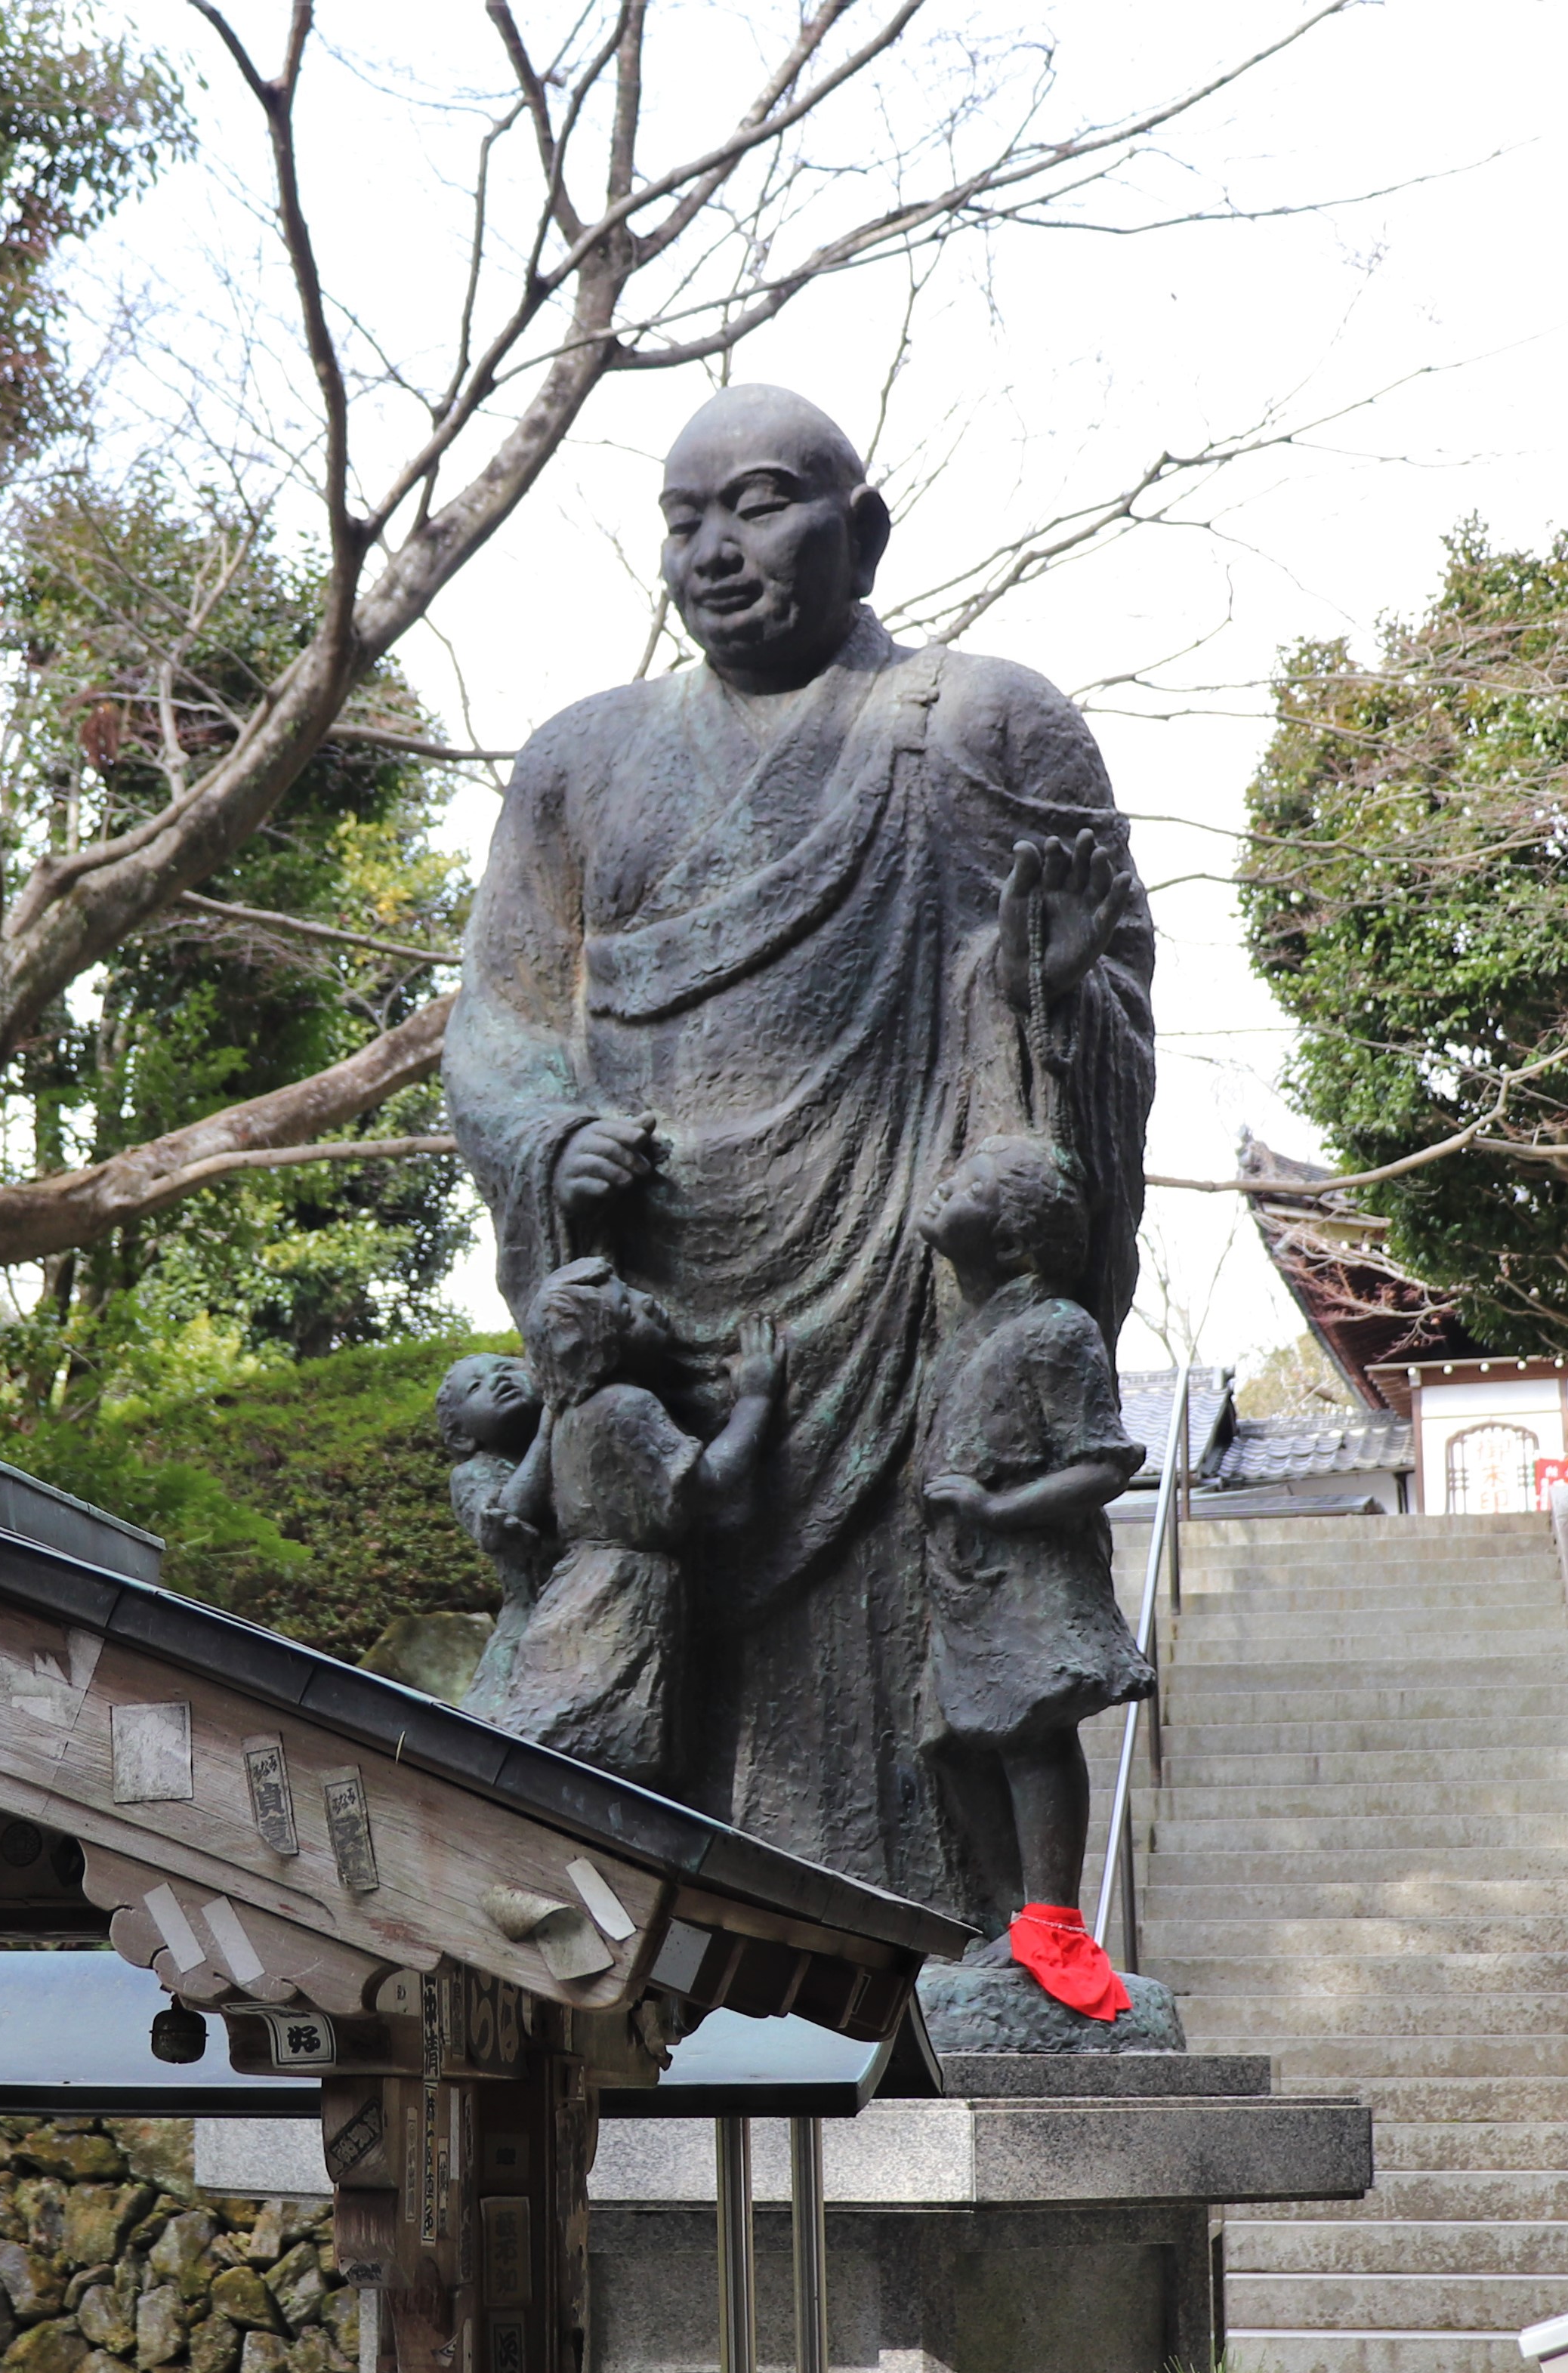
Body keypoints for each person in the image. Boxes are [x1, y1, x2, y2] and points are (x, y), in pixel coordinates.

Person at [443, 383, 1153, 1924]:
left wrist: (1041, 1002)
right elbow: (497, 1030)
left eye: (758, 503)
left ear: (864, 529)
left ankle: (979, 1942)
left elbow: (1101, 1008)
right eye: (682, 519)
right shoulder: (581, 761)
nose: (713, 548)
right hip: (657, 1320)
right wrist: (555, 1135)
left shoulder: (981, 722)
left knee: (920, 1671)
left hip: (905, 1303)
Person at [909, 1134, 1159, 2032]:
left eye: (969, 1183)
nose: (945, 1186)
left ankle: (1051, 1918)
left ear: (1014, 1237)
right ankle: (1009, 1915)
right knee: (954, 1741)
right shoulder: (968, 1332)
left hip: (1029, 1568)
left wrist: (999, 1507)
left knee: (1028, 1732)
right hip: (964, 1580)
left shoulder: (1057, 1329)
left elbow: (1103, 1464)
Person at [474, 1264, 784, 1782]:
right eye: (628, 1306)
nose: (648, 1301)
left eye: (635, 1288)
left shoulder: (572, 1416)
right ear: (605, 1339)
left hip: (576, 1591)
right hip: (618, 1600)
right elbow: (709, 1483)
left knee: (574, 1734)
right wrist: (755, 1398)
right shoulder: (626, 1407)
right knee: (599, 1740)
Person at [433, 1350, 550, 1709]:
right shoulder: (472, 1475)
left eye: (505, 1370)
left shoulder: (571, 1432)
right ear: (461, 1436)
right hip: (532, 1614)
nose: (499, 1380)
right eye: (476, 1387)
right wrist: (547, 1433)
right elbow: (508, 1516)